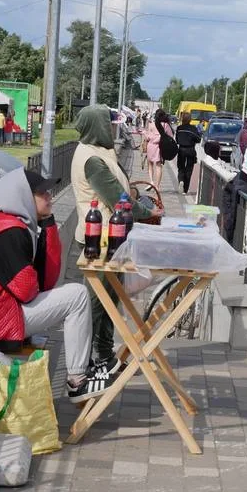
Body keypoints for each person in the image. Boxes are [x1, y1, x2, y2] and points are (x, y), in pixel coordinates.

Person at [0, 168, 112, 402]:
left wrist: (48, 225)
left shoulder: (12, 224)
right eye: (42, 193)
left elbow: (46, 281)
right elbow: (27, 291)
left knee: (74, 295)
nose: (49, 196)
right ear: (23, 197)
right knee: (78, 295)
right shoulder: (9, 233)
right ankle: (78, 381)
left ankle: (80, 373)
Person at [71, 104, 163, 374]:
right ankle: (90, 361)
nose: (114, 128)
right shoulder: (91, 159)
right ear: (98, 126)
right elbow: (116, 198)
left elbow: (120, 189)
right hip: (98, 238)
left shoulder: (99, 151)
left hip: (110, 237)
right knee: (99, 301)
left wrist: (138, 200)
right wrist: (148, 212)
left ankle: (104, 353)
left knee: (109, 299)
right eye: (109, 124)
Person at [145, 109, 174, 191]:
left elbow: (147, 137)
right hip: (160, 147)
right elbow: (171, 137)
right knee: (158, 165)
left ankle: (151, 181)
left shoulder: (151, 124)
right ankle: (157, 186)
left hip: (150, 146)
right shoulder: (165, 125)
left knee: (150, 164)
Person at [175, 112, 202, 194]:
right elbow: (198, 139)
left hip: (181, 149)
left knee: (181, 167)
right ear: (190, 119)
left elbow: (177, 140)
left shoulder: (179, 128)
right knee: (189, 169)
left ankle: (181, 180)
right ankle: (185, 190)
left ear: (182, 119)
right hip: (191, 150)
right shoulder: (193, 128)